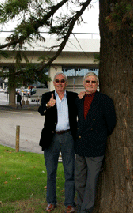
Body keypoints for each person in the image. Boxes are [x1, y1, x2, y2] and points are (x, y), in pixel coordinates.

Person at [75, 71, 116, 213]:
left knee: (91, 183)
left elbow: (111, 123)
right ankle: (80, 206)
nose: (90, 84)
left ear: (97, 84)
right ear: (84, 84)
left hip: (96, 147)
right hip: (80, 147)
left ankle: (86, 210)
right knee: (79, 181)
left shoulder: (105, 100)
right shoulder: (79, 99)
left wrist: (99, 136)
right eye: (88, 81)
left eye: (93, 82)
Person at [38, 72, 78, 213]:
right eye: (57, 81)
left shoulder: (73, 97)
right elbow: (40, 110)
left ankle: (69, 203)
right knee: (51, 171)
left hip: (68, 137)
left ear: (65, 83)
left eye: (62, 81)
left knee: (70, 171)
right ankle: (51, 201)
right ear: (54, 83)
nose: (60, 83)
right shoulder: (47, 96)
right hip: (51, 138)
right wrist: (48, 105)